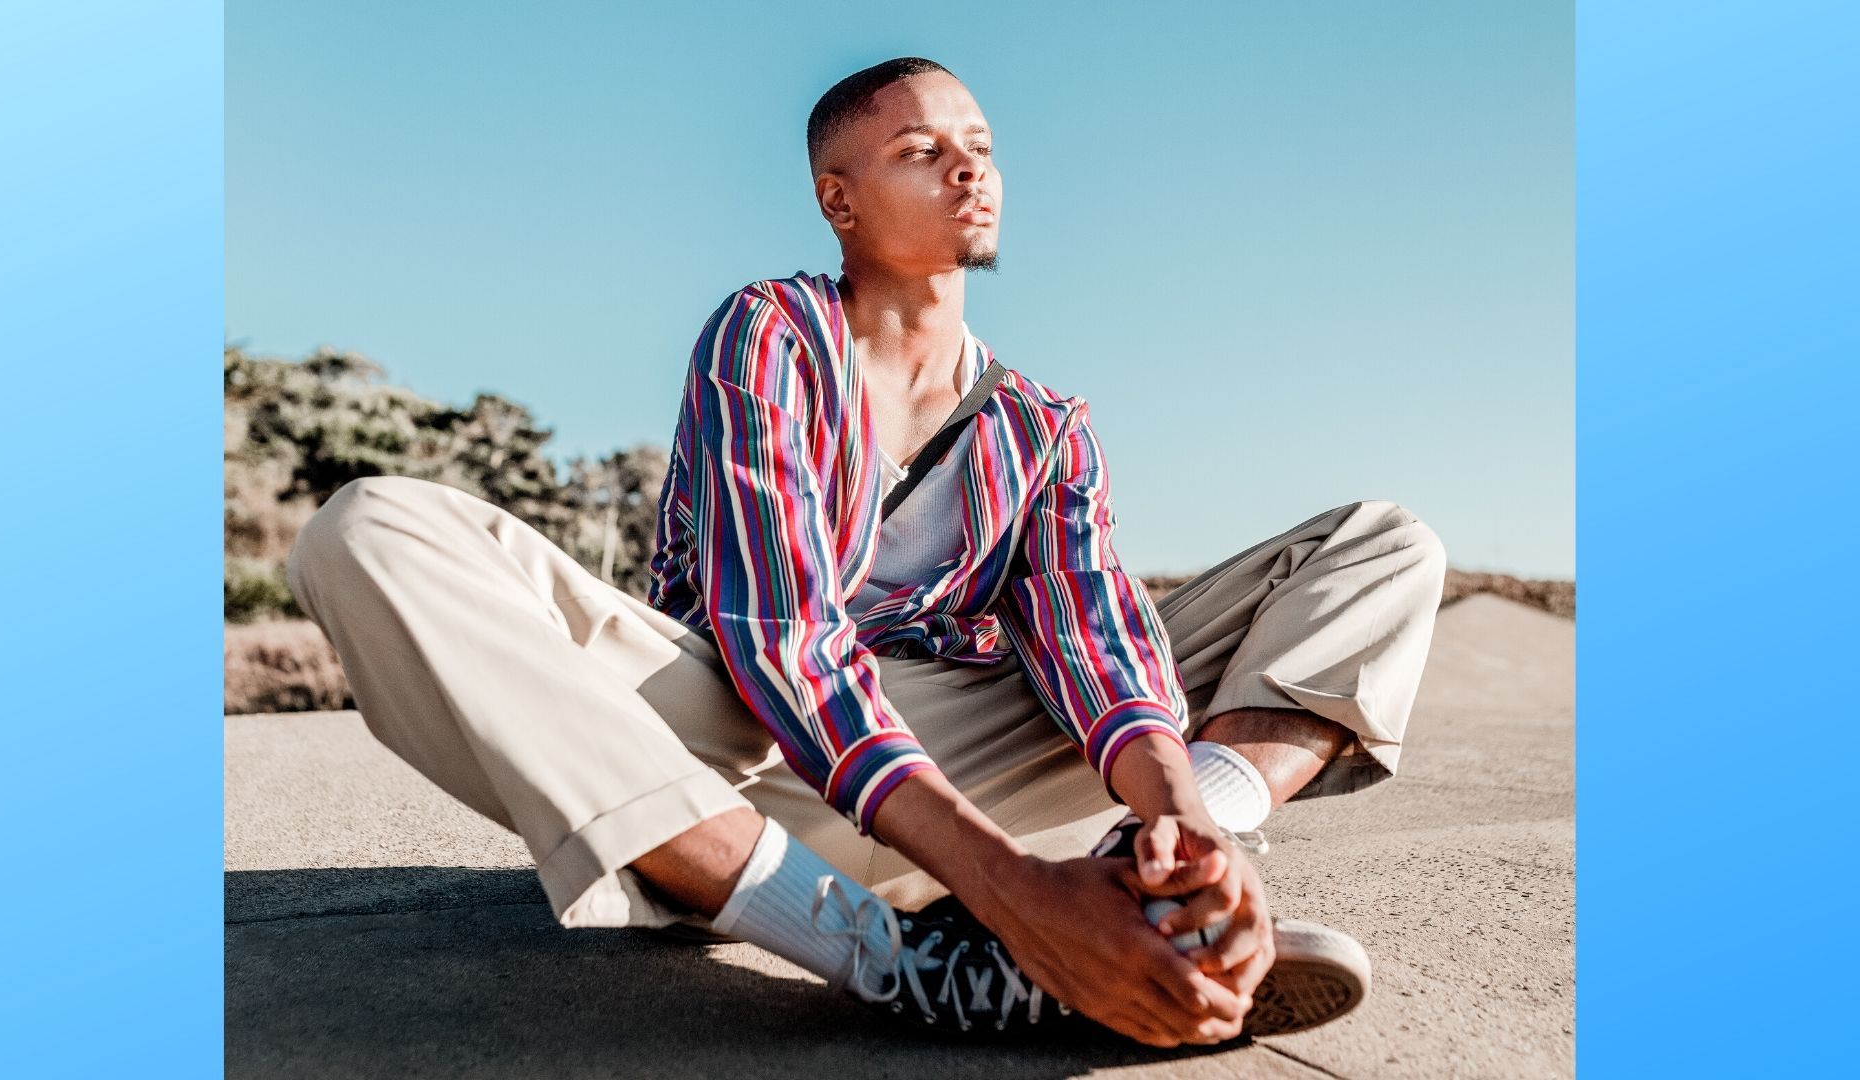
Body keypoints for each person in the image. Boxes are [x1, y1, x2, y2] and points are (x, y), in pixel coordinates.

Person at [285, 57, 1445, 1049]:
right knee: (369, 528)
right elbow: (783, 639)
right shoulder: (771, 336)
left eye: (980, 145)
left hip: (940, 753)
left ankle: (1153, 893)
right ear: (839, 200)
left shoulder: (1042, 426)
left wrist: (1179, 826)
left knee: (1384, 547)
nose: (968, 168)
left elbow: (1098, 643)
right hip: (709, 757)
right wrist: (1016, 892)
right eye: (920, 149)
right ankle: (901, 958)